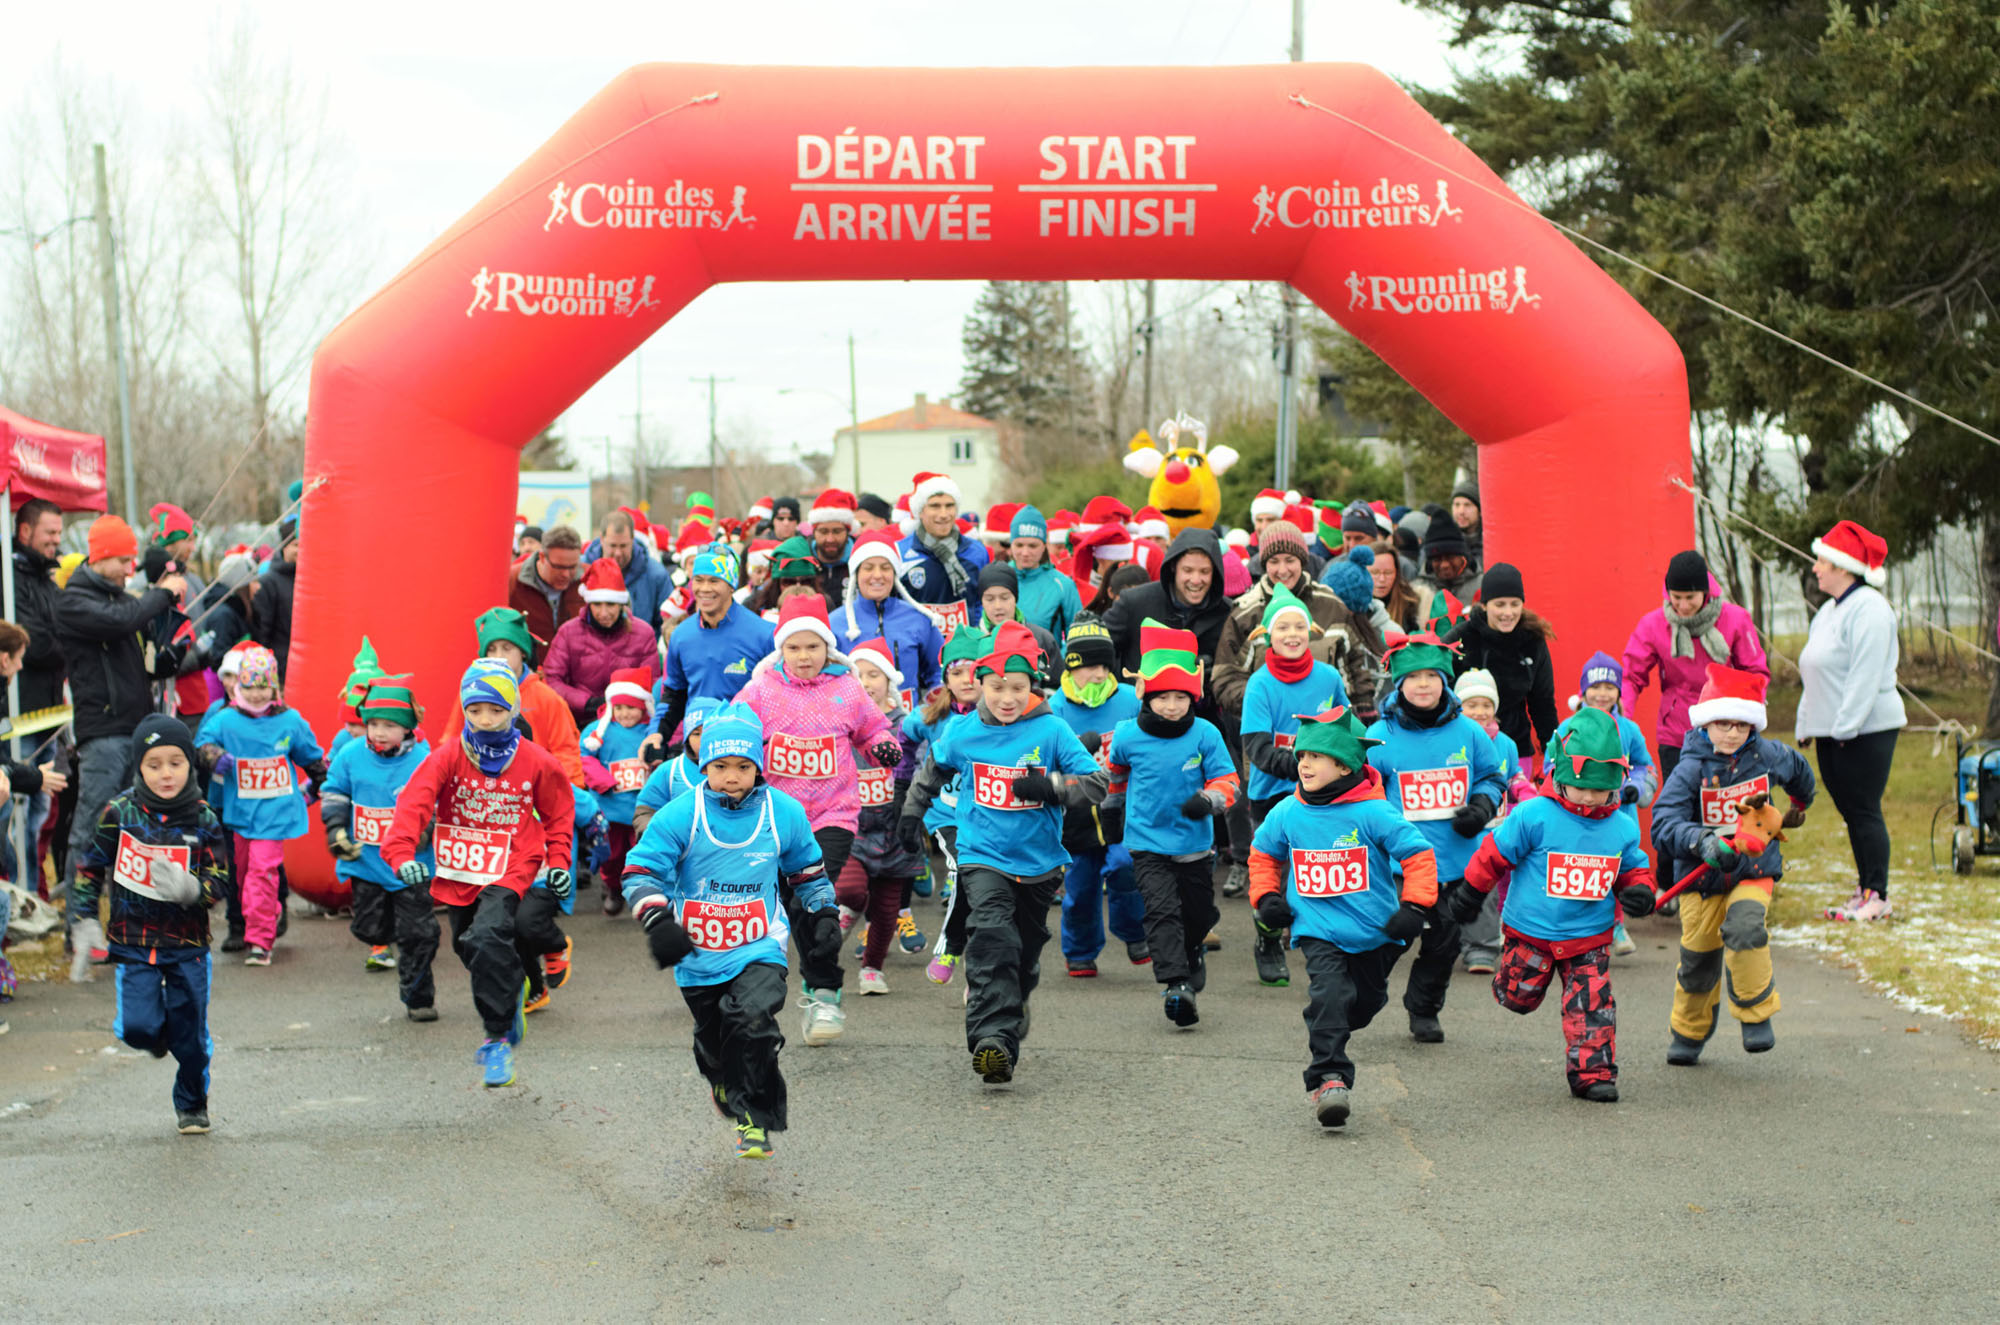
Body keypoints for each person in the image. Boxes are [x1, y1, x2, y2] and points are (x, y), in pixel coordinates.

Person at [898, 622, 1108, 1084]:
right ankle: (993, 1037)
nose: (1007, 698)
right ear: (980, 684)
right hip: (982, 854)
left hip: (1039, 864)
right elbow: (932, 769)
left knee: (1024, 955)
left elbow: (1096, 784)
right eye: (996, 688)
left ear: (1031, 685)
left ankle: (1012, 1006)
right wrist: (912, 815)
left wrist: (1051, 786)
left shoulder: (1052, 730)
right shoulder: (964, 730)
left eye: (1017, 688)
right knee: (993, 938)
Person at [623, 703, 833, 1160]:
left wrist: (824, 916)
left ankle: (754, 1120)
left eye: (743, 766)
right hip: (697, 953)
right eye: (720, 766)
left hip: (759, 945)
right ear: (704, 765)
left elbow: (808, 873)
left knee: (753, 1021)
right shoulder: (682, 814)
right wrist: (657, 921)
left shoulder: (784, 812)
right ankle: (723, 1080)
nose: (732, 776)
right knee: (715, 1044)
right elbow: (640, 872)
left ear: (758, 767)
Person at [1445, 708, 1658, 1103]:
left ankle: (1592, 1074)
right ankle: (1512, 985)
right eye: (1582, 788)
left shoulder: (1623, 827)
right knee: (1517, 997)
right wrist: (1471, 893)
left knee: (1593, 1006)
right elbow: (1494, 854)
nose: (1591, 797)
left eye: (1600, 789)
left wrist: (1640, 891)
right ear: (1559, 775)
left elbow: (1635, 869)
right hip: (1532, 931)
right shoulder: (1533, 815)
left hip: (1589, 937)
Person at [382, 660, 575, 1088]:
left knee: (487, 937)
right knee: (471, 947)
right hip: (459, 868)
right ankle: (512, 989)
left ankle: (497, 1039)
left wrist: (558, 862)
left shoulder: (537, 761)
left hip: (513, 862)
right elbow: (415, 803)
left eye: (495, 710)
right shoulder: (449, 754)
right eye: (474, 710)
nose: (485, 720)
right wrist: (400, 854)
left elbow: (560, 814)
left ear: (513, 710)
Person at [1248, 707, 1438, 1127]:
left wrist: (1414, 907)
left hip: (1376, 932)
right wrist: (1266, 897)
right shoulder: (1288, 811)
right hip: (1318, 929)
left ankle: (1327, 1020)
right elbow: (1263, 854)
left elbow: (1419, 855)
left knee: (1363, 1005)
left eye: (1316, 756)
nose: (1304, 764)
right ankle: (1330, 1078)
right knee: (1330, 994)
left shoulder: (1374, 812)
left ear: (1345, 764)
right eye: (1301, 756)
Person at [735, 596, 900, 1047]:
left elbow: (871, 727)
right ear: (780, 651)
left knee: (816, 892)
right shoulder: (762, 689)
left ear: (828, 647)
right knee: (795, 905)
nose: (805, 657)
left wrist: (881, 745)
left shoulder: (847, 687)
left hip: (835, 813)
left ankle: (826, 991)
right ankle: (816, 981)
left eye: (813, 647)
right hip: (778, 816)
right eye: (794, 648)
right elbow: (734, 731)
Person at [69, 715, 228, 1135]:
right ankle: (158, 1037)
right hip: (133, 942)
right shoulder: (118, 812)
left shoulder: (203, 817)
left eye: (175, 762)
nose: (166, 773)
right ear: (139, 767)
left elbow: (222, 880)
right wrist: (82, 919)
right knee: (138, 1029)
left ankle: (192, 1103)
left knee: (191, 1041)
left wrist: (194, 889)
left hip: (187, 945)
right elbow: (89, 867)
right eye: (154, 764)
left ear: (190, 764)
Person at [1651, 664, 1814, 1062]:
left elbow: (1798, 770)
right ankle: (1689, 1033)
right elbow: (1663, 823)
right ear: (1706, 722)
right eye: (1722, 724)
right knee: (1698, 958)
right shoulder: (1690, 768)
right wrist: (1700, 841)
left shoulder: (1767, 754)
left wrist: (1798, 804)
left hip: (1753, 871)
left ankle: (1756, 1014)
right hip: (1700, 877)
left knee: (1745, 928)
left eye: (1741, 726)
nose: (1731, 733)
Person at [1366, 631, 1505, 1033]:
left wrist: (1480, 807)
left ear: (1445, 680)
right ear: (1399, 682)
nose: (1423, 683)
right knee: (1391, 937)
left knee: (1444, 943)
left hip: (1454, 862)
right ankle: (1364, 993)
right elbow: (1363, 793)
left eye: (1431, 675)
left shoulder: (1469, 732)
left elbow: (1492, 778)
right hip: (1401, 866)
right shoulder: (1379, 737)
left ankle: (1423, 1009)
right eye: (1413, 676)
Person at [1104, 621, 1240, 1029]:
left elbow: (1229, 781)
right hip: (1147, 843)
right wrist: (1113, 805)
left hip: (1195, 844)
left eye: (1181, 697)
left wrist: (1208, 799)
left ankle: (1193, 948)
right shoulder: (1128, 735)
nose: (1171, 705)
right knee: (1161, 913)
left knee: (1197, 916)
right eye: (1163, 696)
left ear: (1193, 697)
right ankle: (1176, 985)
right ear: (1147, 695)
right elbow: (1116, 773)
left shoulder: (1206, 734)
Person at [56, 515, 187, 921]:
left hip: (136, 729)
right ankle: (80, 924)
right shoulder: (74, 601)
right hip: (103, 733)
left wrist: (167, 654)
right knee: (92, 830)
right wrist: (162, 594)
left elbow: (142, 650)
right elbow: (120, 623)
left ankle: (127, 921)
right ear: (101, 557)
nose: (130, 568)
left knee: (132, 832)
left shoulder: (122, 600)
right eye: (123, 560)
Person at [1238, 584, 1352, 987]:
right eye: (1282, 627)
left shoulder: (1327, 676)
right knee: (1274, 872)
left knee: (1320, 866)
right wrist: (1309, 766)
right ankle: (1268, 938)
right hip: (1271, 793)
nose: (1291, 634)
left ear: (1312, 632)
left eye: (1299, 626)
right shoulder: (1260, 684)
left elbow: (1347, 730)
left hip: (1322, 794)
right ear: (1266, 635)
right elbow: (1258, 748)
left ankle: (1320, 937)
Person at [1794, 520, 1905, 922]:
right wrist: (1807, 723)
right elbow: (1812, 669)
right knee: (1850, 811)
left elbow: (1865, 674)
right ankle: (1864, 887)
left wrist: (1845, 728)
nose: (1816, 568)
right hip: (1833, 731)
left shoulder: (1871, 610)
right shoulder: (1827, 611)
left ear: (1843, 566)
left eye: (1821, 561)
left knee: (1863, 809)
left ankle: (1878, 894)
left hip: (1866, 730)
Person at [194, 645, 326, 966]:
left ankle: (260, 941)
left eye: (262, 686)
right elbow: (201, 743)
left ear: (274, 687)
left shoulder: (290, 721)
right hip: (240, 812)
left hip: (274, 813)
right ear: (239, 685)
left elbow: (313, 759)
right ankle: (269, 913)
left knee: (262, 871)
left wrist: (316, 789)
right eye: (249, 686)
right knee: (242, 874)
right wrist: (215, 758)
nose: (255, 694)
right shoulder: (226, 719)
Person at [320, 677, 440, 1017]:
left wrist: (425, 829)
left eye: (389, 725)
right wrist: (335, 830)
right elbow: (334, 791)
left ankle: (419, 999)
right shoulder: (350, 754)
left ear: (407, 729)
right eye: (372, 724)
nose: (378, 732)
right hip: (366, 862)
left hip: (410, 865)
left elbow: (435, 801)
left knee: (417, 933)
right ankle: (385, 936)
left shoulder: (423, 759)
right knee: (369, 928)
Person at [1046, 616, 1146, 977]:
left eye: (1105, 665)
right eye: (1089, 666)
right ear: (1072, 667)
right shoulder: (1055, 708)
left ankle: (1134, 930)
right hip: (1077, 817)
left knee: (1125, 866)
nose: (1099, 674)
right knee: (1080, 888)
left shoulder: (1129, 700)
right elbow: (1044, 763)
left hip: (1122, 811)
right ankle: (1080, 950)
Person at [1620, 550, 1767, 781]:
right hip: (1675, 736)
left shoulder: (1736, 620)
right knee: (1679, 807)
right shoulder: (1653, 625)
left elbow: (1756, 672)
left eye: (1690, 597)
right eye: (1676, 597)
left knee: (1728, 808)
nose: (1683, 605)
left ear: (1705, 592)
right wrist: (1621, 717)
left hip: (1727, 732)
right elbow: (1630, 676)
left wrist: (1750, 718)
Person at [1556, 651, 1660, 956]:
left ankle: (1615, 926)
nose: (1602, 694)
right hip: (1576, 815)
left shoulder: (1629, 729)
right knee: (1580, 867)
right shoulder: (1568, 727)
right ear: (1583, 690)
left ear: (1618, 692)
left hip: (1619, 815)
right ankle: (1574, 927)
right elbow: (1553, 765)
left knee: (1614, 867)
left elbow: (1644, 765)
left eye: (1610, 687)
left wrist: (1635, 787)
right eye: (1596, 687)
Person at [904, 625, 987, 985]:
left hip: (989, 815)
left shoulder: (1002, 717)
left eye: (973, 671)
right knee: (963, 869)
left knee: (986, 888)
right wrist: (902, 780)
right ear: (946, 679)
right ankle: (950, 951)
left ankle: (982, 970)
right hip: (946, 814)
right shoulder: (932, 716)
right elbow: (903, 739)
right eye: (956, 672)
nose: (966, 679)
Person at [842, 639, 926, 993]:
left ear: (889, 680)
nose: (865, 682)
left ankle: (872, 970)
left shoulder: (906, 725)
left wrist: (913, 805)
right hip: (853, 828)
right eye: (857, 675)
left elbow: (923, 765)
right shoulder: (842, 721)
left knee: (888, 909)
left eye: (873, 674)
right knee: (849, 888)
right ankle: (850, 910)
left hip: (896, 829)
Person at [654, 543, 774, 747]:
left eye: (714, 581)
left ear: (731, 585)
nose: (704, 589)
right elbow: (674, 695)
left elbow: (777, 698)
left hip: (747, 748)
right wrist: (657, 734)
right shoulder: (681, 635)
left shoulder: (763, 634)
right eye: (698, 580)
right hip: (698, 749)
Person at [1448, 563, 1558, 766]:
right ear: (1484, 605)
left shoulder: (1532, 640)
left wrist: (1554, 754)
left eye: (1514, 604)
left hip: (1516, 748)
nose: (1508, 612)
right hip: (1464, 749)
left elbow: (1543, 703)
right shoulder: (1461, 638)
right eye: (1500, 604)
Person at [834, 528, 944, 708]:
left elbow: (939, 672)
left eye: (885, 568)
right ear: (856, 574)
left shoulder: (918, 618)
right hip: (854, 725)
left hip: (908, 725)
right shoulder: (836, 623)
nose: (877, 575)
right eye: (868, 568)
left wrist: (931, 714)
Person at [580, 668, 658, 919]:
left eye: (631, 708)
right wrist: (604, 781)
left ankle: (644, 894)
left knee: (644, 854)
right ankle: (612, 887)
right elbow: (585, 758)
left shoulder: (651, 733)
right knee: (611, 856)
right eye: (620, 707)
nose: (625, 714)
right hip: (609, 808)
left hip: (642, 810)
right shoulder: (597, 731)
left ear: (644, 707)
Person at [542, 558, 658, 724]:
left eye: (610, 604)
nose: (603, 613)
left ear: (621, 604)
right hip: (579, 719)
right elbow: (551, 679)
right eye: (597, 604)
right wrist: (587, 702)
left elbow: (652, 682)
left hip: (629, 721)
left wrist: (624, 703)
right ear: (588, 603)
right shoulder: (568, 632)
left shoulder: (643, 634)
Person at [897, 471, 988, 626]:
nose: (944, 514)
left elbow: (984, 603)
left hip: (966, 646)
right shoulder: (900, 553)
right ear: (920, 512)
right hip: (921, 647)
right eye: (935, 506)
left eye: (949, 506)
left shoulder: (977, 552)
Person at [584, 509, 673, 626]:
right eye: (613, 545)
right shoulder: (584, 569)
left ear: (632, 539)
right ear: (602, 539)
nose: (618, 553)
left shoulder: (656, 575)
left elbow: (666, 623)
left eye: (623, 546)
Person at [974, 564, 1059, 680]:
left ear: (1015, 598)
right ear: (982, 602)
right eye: (990, 599)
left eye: (1005, 598)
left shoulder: (1041, 639)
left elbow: (1056, 686)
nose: (998, 606)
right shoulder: (972, 641)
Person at [1008, 505, 1081, 639]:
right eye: (1019, 545)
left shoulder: (1063, 585)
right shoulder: (997, 579)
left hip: (1049, 659)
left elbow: (1077, 638)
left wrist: (1058, 658)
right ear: (1011, 544)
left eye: (1032, 546)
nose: (1025, 553)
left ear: (1044, 545)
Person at [508, 523, 585, 645]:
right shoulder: (512, 581)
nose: (566, 574)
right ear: (542, 557)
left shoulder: (589, 580)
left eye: (572, 567)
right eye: (559, 567)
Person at [250, 516, 299, 677]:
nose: (300, 550)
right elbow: (262, 630)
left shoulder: (311, 579)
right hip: (281, 667)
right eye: (296, 545)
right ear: (284, 547)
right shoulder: (269, 582)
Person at [1370, 536, 1432, 636]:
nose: (1382, 579)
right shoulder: (1353, 605)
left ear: (1397, 573)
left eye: (1388, 572)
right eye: (1374, 572)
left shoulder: (1413, 605)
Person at [807, 488, 858, 602]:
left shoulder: (861, 560)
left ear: (848, 532)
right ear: (814, 532)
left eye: (837, 531)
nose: (830, 539)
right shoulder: (803, 560)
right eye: (823, 531)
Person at [1416, 516, 1481, 602]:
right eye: (1437, 559)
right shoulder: (1417, 591)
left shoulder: (1482, 586)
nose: (1444, 565)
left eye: (1450, 558)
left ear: (1463, 557)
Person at [1450, 477, 1483, 573]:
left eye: (1467, 505)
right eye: (1457, 505)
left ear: (1480, 510)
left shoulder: (1491, 542)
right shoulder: (1444, 540)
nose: (1461, 511)